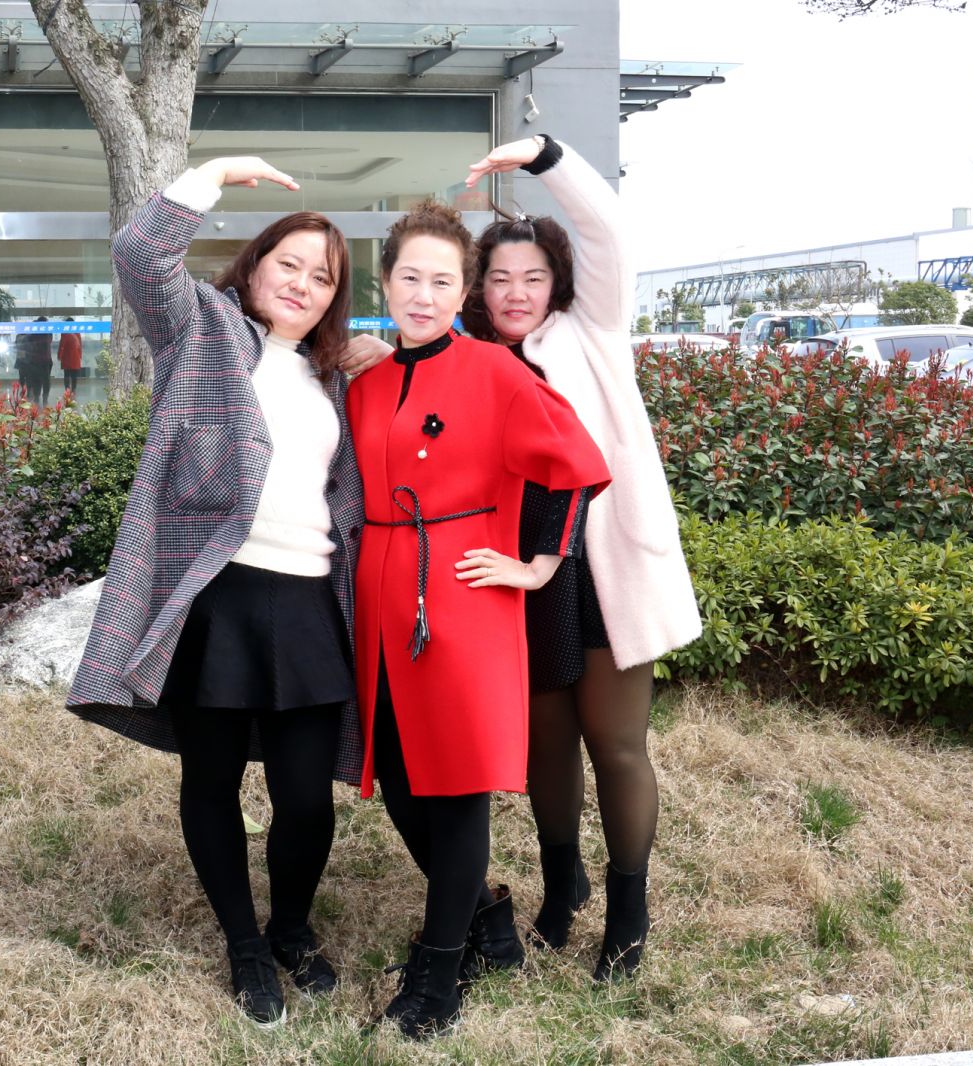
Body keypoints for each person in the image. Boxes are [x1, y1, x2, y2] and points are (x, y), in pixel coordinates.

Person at [66, 156, 364, 1028]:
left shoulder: (335, 376)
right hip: (218, 598)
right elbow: (140, 256)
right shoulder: (201, 329)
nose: (301, 284)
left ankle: (292, 929)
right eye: (288, 264)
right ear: (254, 265)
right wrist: (214, 175)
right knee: (213, 781)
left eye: (321, 277)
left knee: (306, 796)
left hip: (309, 601)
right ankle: (245, 947)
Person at [347, 200, 610, 1038]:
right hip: (379, 595)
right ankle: (489, 917)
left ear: (463, 291)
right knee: (397, 775)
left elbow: (575, 462)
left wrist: (538, 564)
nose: (423, 295)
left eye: (442, 281)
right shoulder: (367, 380)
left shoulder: (496, 371)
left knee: (455, 784)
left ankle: (439, 974)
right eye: (410, 278)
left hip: (460, 592)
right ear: (385, 282)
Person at [461, 134, 703, 981]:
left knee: (616, 742)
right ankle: (562, 884)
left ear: (556, 283)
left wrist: (545, 156)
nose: (515, 293)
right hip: (515, 573)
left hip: (600, 570)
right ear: (478, 288)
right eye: (499, 278)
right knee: (545, 746)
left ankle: (629, 911)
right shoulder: (468, 358)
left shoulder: (591, 330)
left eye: (532, 278)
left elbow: (608, 230)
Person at [58, 318, 84, 395]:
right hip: (75, 357)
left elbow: (62, 345)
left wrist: (59, 355)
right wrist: (80, 356)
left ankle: (67, 390)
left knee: (67, 375)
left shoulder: (65, 333)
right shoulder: (77, 332)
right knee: (74, 376)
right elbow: (80, 345)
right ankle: (73, 390)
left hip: (66, 357)